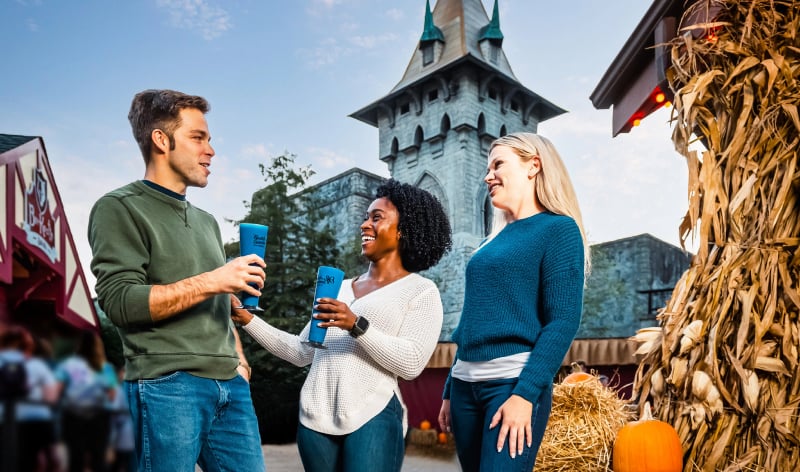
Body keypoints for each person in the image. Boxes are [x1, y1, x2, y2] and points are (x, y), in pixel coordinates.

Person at [88, 89, 266, 471]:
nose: (211, 150)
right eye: (198, 137)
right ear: (161, 140)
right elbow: (120, 302)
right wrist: (214, 280)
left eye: (209, 139)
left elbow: (218, 302)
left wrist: (239, 361)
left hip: (230, 388)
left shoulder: (206, 222)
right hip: (167, 387)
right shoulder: (118, 207)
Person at [232, 179, 452, 472]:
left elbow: (411, 363)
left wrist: (356, 325)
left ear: (403, 230)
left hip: (372, 415)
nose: (365, 225)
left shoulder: (420, 291)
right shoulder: (339, 288)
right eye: (365, 217)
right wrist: (248, 319)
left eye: (377, 217)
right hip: (315, 418)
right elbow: (301, 351)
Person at [438, 132, 590, 471]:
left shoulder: (559, 230)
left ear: (533, 165)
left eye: (497, 165)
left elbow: (563, 321)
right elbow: (473, 321)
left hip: (510, 384)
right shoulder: (492, 241)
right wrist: (450, 387)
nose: (487, 176)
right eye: (488, 167)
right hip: (464, 387)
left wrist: (525, 395)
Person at [0, 325, 61, 472]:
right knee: (37, 462)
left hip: (4, 421)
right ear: (28, 346)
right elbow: (51, 397)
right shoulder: (37, 365)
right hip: (37, 419)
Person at [55, 331, 116, 472]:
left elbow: (57, 391)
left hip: (72, 416)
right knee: (98, 459)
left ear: (79, 345)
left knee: (75, 458)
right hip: (99, 417)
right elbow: (112, 395)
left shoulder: (68, 364)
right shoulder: (105, 367)